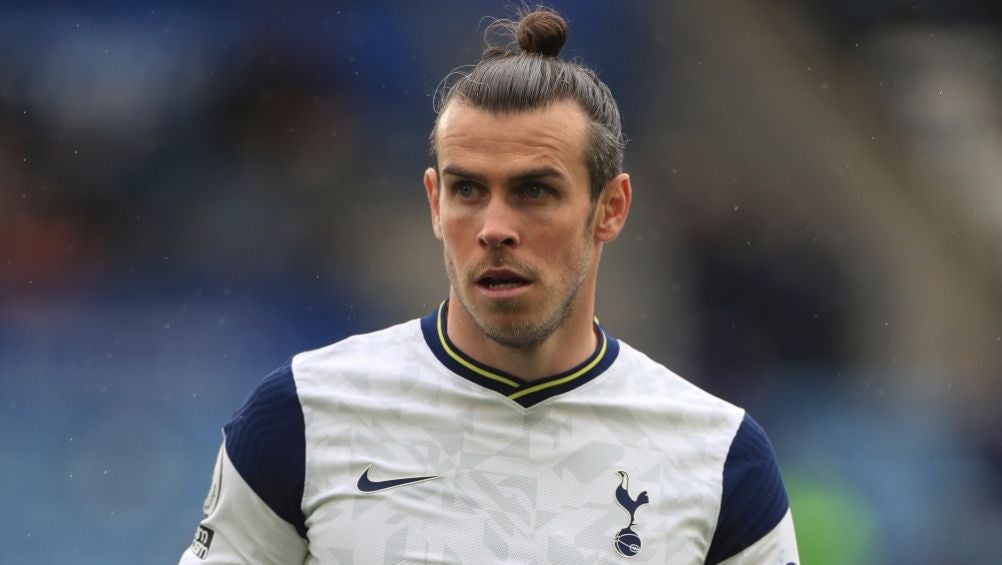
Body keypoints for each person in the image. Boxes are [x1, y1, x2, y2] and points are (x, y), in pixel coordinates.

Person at [179, 7, 799, 564]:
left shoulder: (719, 456)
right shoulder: (302, 415)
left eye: (535, 191)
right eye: (469, 190)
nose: (495, 228)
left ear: (610, 208)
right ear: (434, 203)